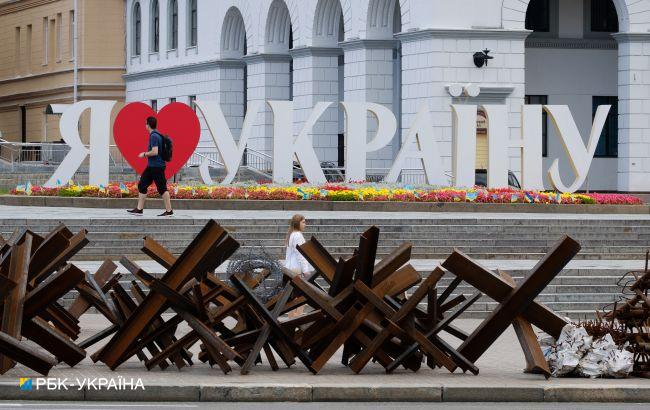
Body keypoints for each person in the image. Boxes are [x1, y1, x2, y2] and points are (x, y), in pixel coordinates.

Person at [127, 116, 173, 216]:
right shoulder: (156, 134)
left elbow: (155, 152)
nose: (145, 125)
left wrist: (144, 154)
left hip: (157, 166)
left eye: (145, 123)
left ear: (148, 125)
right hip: (152, 166)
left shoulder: (154, 136)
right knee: (142, 185)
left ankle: (169, 211)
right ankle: (139, 209)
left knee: (162, 188)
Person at [284, 214, 312, 317]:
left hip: (291, 268)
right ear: (297, 223)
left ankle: (291, 318)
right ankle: (296, 318)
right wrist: (305, 270)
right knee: (302, 296)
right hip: (297, 269)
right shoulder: (298, 235)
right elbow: (301, 254)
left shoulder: (292, 234)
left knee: (294, 297)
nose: (305, 224)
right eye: (303, 222)